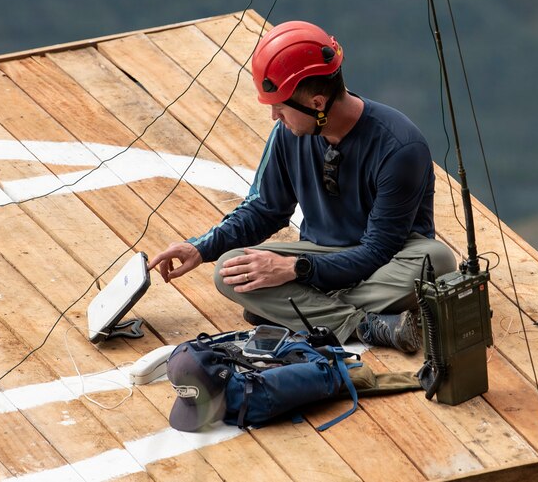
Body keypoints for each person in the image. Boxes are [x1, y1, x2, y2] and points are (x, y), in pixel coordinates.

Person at [148, 20, 456, 353]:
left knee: (437, 260)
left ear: (317, 103)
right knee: (229, 269)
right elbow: (265, 209)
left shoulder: (400, 148)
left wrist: (296, 271)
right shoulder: (288, 134)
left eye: (279, 108)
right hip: (322, 255)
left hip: (388, 259)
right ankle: (363, 323)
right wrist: (201, 248)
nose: (274, 118)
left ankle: (299, 309)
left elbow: (377, 251)